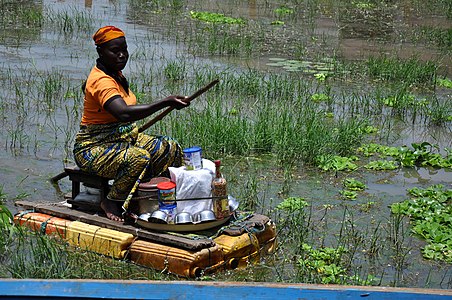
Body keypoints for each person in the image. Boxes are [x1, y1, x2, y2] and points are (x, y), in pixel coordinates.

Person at [73, 26, 189, 222]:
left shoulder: (115, 74)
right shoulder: (100, 80)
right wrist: (165, 102)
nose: (121, 55)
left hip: (124, 140)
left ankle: (143, 196)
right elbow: (123, 113)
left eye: (124, 50)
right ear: (100, 52)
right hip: (93, 148)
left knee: (170, 147)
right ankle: (113, 202)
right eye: (114, 51)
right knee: (138, 157)